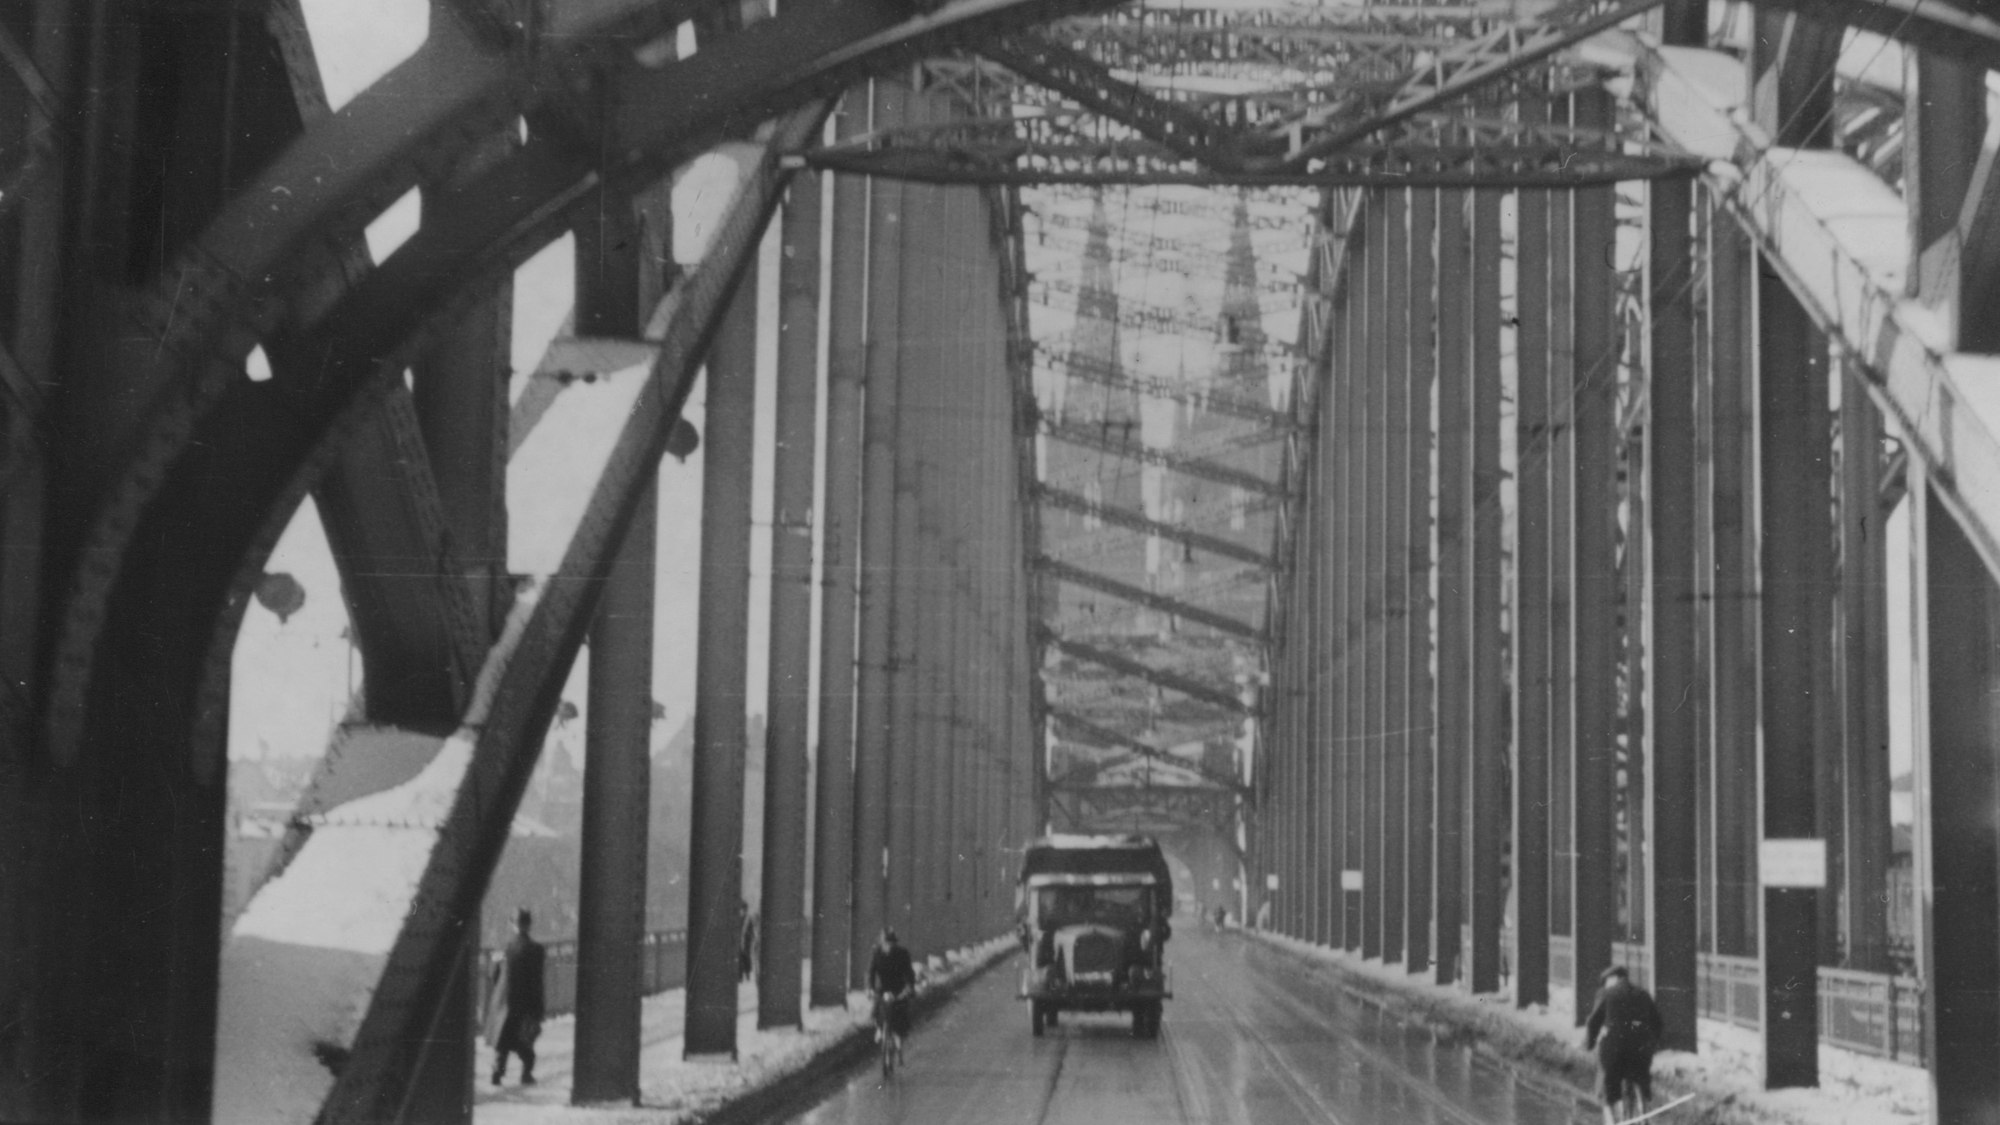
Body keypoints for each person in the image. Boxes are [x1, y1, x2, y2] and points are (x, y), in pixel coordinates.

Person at [1585, 964, 1663, 1124]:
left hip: (1614, 1049)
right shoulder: (1643, 994)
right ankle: (1644, 1109)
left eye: (1605, 982)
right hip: (1640, 1048)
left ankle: (1611, 1118)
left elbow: (1593, 1023)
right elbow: (1658, 1023)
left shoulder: (1606, 993)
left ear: (1612, 979)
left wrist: (1589, 1044)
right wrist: (1652, 1045)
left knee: (1605, 1084)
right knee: (1640, 1076)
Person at [491, 909, 546, 1087]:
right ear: (529, 925)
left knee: (503, 1043)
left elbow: (494, 975)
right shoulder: (537, 950)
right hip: (525, 1005)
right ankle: (526, 1074)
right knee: (525, 1044)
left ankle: (497, 1073)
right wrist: (539, 1008)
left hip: (504, 1005)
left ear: (512, 925)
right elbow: (537, 981)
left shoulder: (502, 949)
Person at [868, 929, 917, 1061]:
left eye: (891, 943)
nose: (888, 946)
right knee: (877, 1007)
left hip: (898, 988)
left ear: (895, 944)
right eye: (886, 943)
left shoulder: (902, 954)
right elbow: (872, 972)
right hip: (882, 988)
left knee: (901, 1010)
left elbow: (909, 972)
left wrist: (910, 986)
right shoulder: (877, 954)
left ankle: (899, 1037)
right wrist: (871, 988)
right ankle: (879, 1027)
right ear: (881, 943)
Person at [738, 901, 758, 982]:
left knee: (746, 957)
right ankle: (740, 977)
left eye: (743, 909)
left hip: (746, 941)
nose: (742, 911)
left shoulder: (748, 918)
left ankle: (747, 974)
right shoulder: (738, 918)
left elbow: (752, 929)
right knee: (740, 958)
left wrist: (752, 937)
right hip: (740, 940)